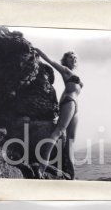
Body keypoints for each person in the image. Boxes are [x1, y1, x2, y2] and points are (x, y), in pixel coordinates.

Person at [34, 47, 82, 179]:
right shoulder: (65, 70)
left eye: (75, 57)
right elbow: (51, 61)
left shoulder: (73, 74)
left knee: (71, 139)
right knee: (59, 131)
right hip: (69, 101)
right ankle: (42, 165)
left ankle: (71, 171)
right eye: (70, 57)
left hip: (75, 106)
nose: (73, 59)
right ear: (65, 60)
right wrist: (37, 50)